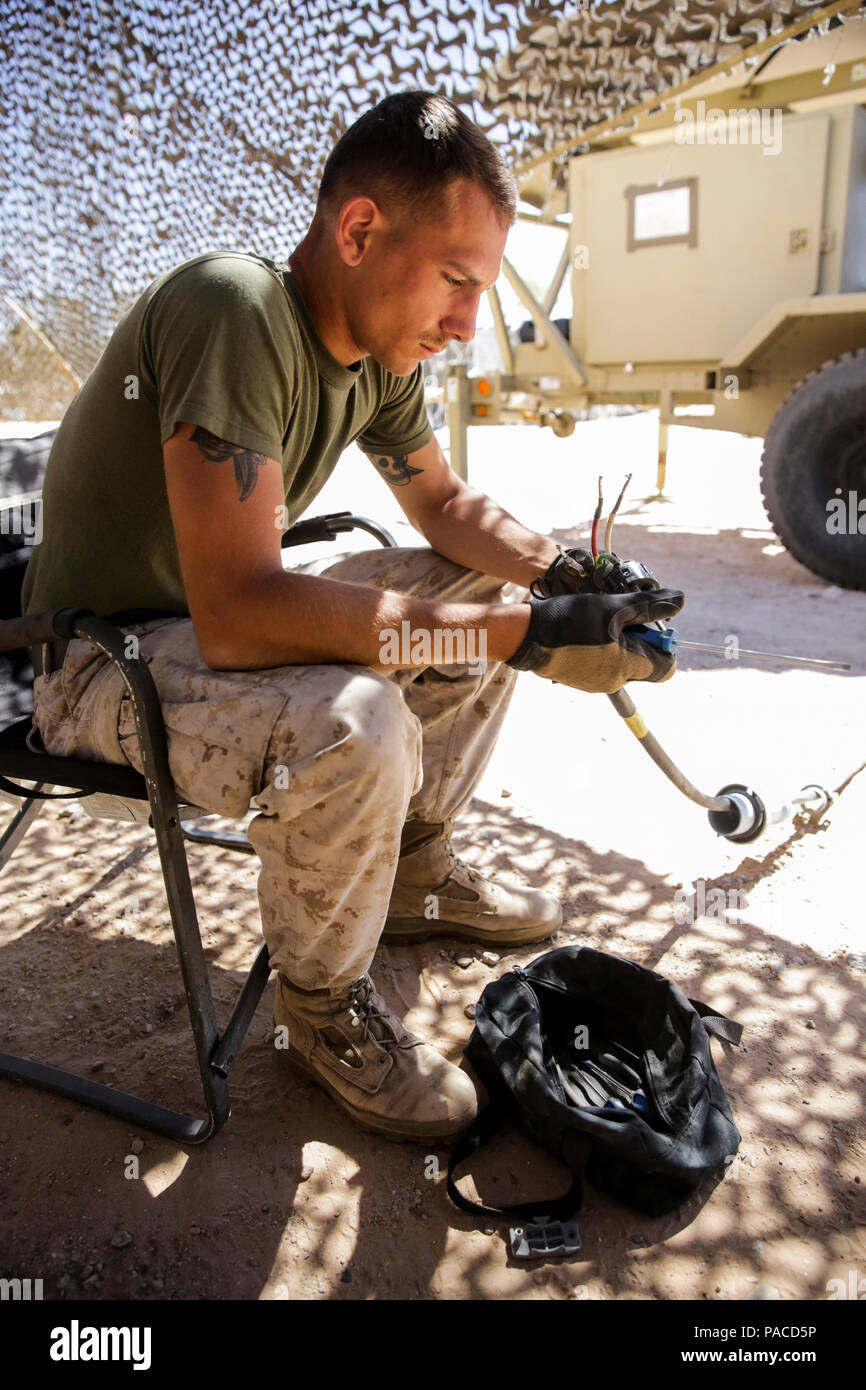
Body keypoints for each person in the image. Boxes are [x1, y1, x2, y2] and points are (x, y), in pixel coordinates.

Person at [22, 91, 683, 1143]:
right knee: (357, 717)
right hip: (99, 663)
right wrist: (523, 641)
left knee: (479, 589)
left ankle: (416, 873)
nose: (469, 324)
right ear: (360, 230)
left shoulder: (379, 360)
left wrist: (568, 575)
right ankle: (323, 1009)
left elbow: (446, 506)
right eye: (457, 281)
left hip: (196, 638)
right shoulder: (232, 308)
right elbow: (238, 614)